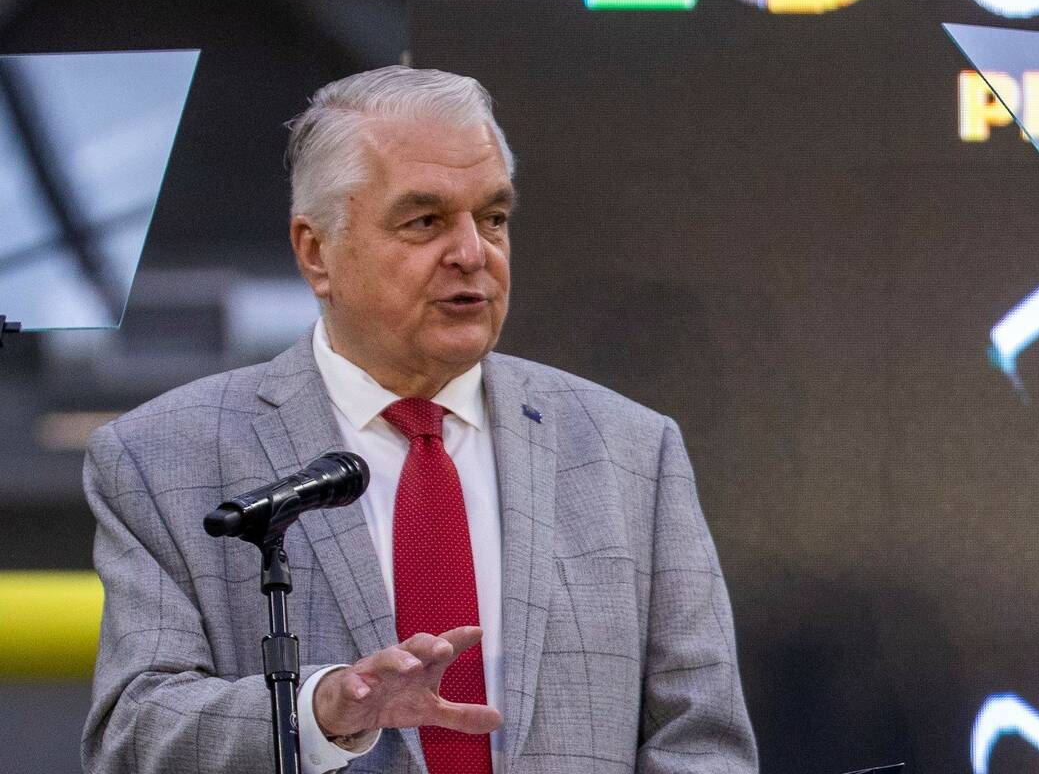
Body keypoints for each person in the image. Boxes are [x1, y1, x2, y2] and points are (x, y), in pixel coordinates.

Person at [81, 66, 758, 774]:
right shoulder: (163, 457)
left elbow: (702, 740)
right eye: (425, 221)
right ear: (317, 253)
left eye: (493, 218)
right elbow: (133, 734)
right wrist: (319, 712)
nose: (473, 253)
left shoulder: (630, 451)